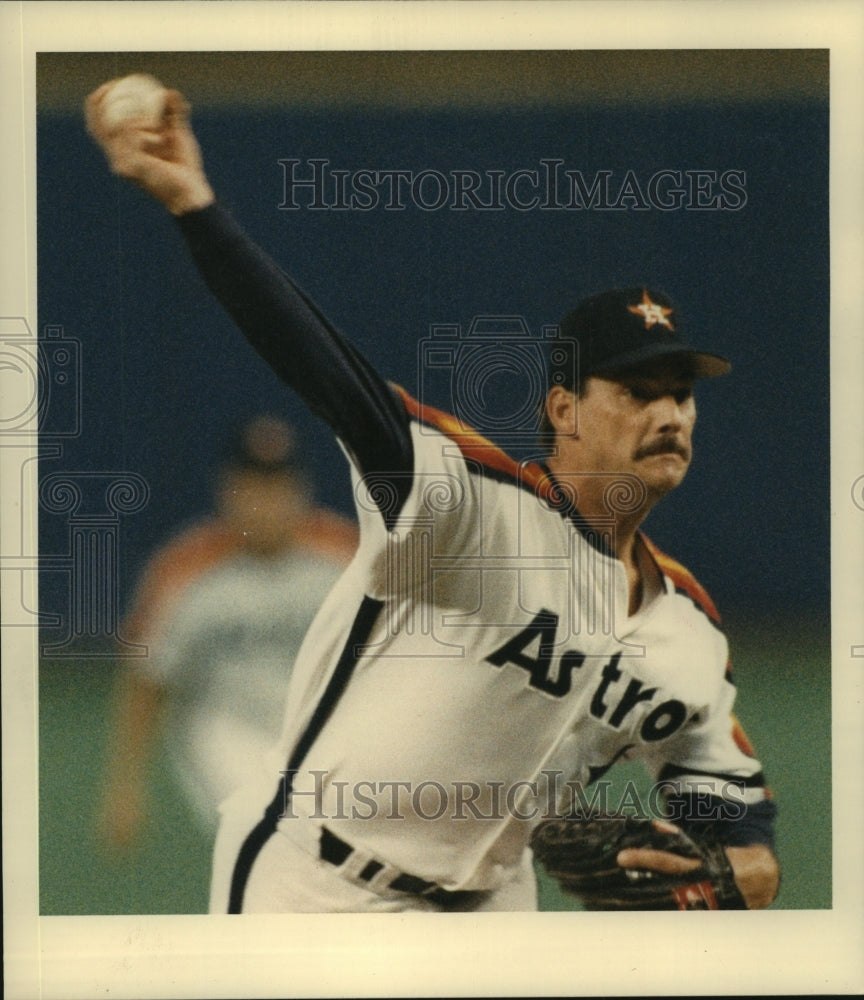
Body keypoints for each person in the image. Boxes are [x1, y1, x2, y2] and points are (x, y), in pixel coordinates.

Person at [85, 81, 780, 913]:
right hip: (315, 883)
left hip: (496, 910)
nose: (669, 412)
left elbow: (741, 833)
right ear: (563, 410)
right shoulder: (464, 502)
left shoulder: (687, 633)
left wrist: (721, 878)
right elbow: (323, 367)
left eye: (681, 393)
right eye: (636, 390)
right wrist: (195, 206)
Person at [97, 414, 357, 851]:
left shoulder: (346, 557)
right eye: (252, 486)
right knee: (267, 835)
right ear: (228, 490)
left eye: (277, 486)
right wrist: (124, 786)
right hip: (224, 727)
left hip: (322, 728)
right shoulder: (185, 569)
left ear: (300, 490)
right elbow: (147, 679)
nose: (265, 502)